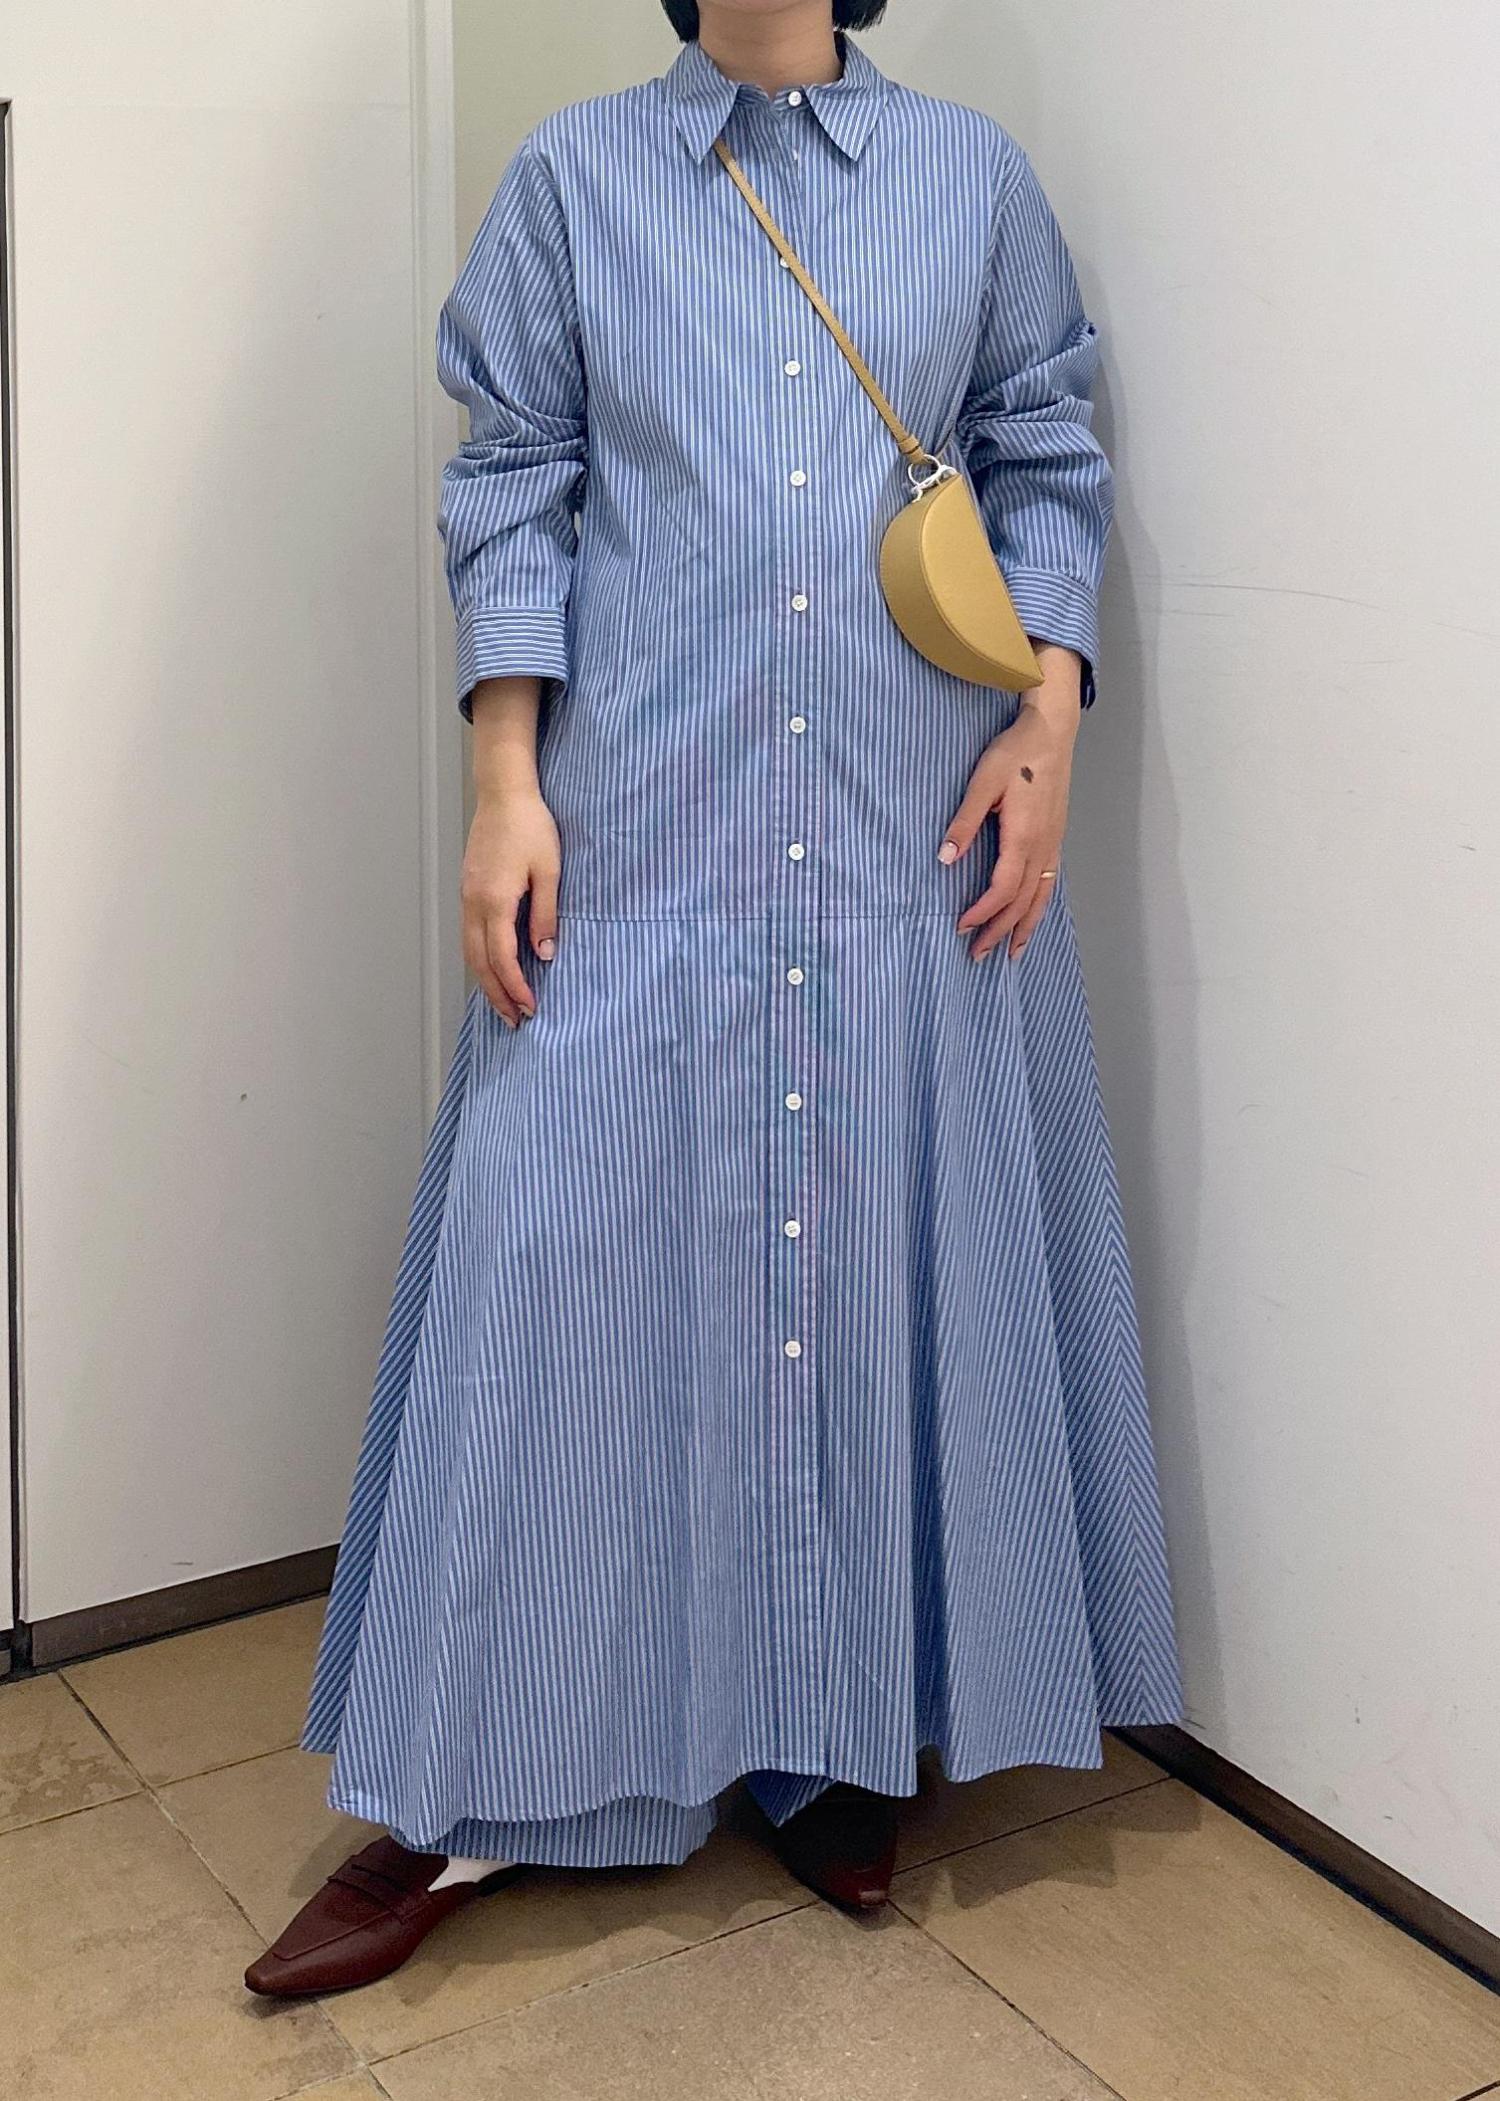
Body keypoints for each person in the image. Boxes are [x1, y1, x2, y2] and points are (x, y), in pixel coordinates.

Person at [245, 0, 1185, 1998]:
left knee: (854, 1250)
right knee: (557, 1266)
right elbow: (515, 482)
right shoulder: (574, 179)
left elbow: (1046, 449)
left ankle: (829, 1735)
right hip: (641, 831)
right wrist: (505, 782)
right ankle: (473, 1783)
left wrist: (1051, 722)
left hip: (905, 839)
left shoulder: (971, 180)